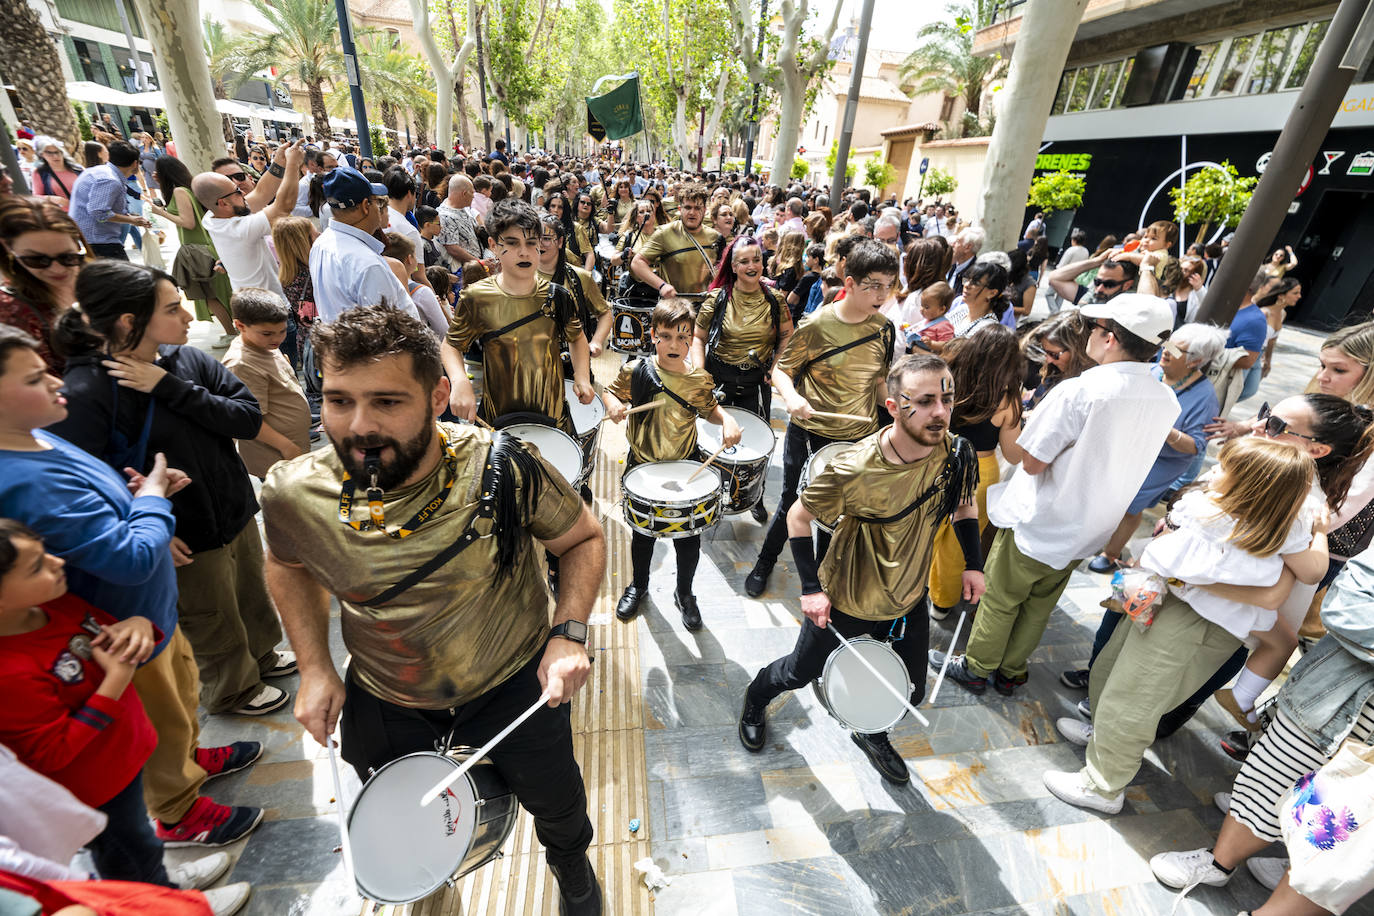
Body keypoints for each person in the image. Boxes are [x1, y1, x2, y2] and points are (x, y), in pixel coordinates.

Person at [260, 304, 606, 915]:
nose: (358, 425)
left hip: (512, 683)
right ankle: (429, 878)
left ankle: (570, 866)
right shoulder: (294, 492)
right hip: (388, 695)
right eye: (339, 401)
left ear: (439, 395)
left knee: (556, 799)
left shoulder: (502, 465)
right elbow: (287, 565)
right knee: (405, 810)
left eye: (387, 402)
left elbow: (582, 538)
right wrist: (315, 666)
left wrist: (569, 632)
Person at [0, 326, 265, 852]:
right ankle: (178, 810)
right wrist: (154, 503)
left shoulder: (40, 436)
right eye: (35, 378)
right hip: (122, 624)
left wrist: (133, 494)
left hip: (150, 612)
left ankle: (188, 760)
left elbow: (96, 513)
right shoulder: (23, 477)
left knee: (180, 699)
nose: (57, 381)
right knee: (155, 720)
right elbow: (127, 557)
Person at [49, 261, 294, 718]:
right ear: (129, 322)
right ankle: (233, 689)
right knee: (210, 613)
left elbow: (246, 417)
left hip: (232, 507)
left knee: (248, 593)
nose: (187, 316)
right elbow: (86, 480)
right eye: (172, 307)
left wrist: (170, 388)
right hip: (181, 529)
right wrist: (151, 526)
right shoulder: (86, 391)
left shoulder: (184, 360)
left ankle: (262, 656)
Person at [1045, 436, 1328, 815]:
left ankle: (1103, 784)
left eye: (1226, 468)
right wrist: (1319, 531)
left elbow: (1170, 561)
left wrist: (1185, 576)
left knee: (1134, 698)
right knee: (1118, 676)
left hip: (1189, 620)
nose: (1216, 470)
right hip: (1188, 614)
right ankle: (1105, 739)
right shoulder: (1269, 521)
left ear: (1251, 485)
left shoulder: (1224, 519)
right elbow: (1311, 569)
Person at [739, 353, 983, 784]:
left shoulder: (954, 452)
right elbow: (798, 517)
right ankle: (756, 696)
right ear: (893, 407)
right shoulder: (853, 467)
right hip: (847, 596)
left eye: (946, 398)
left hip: (908, 597)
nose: (940, 412)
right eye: (924, 401)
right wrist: (811, 589)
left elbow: (964, 505)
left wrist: (973, 565)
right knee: (800, 672)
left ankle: (873, 731)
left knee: (910, 688)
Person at [934, 294, 1181, 696]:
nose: (1091, 335)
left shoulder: (1081, 391)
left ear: (1111, 338)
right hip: (1092, 523)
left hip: (1044, 515)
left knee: (1000, 597)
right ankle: (1012, 670)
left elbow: (1031, 462)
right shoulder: (1164, 397)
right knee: (1040, 602)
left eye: (1096, 328)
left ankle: (978, 667)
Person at [1149, 552, 1374, 915]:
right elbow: (1346, 604)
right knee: (1271, 776)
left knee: (1350, 829)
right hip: (1333, 695)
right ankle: (1219, 862)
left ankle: (1295, 865)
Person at [744, 240, 899, 597]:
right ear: (850, 280)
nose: (882, 294)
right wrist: (794, 398)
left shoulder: (885, 329)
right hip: (810, 432)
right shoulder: (818, 324)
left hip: (857, 439)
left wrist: (890, 409)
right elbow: (781, 372)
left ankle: (818, 582)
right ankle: (765, 561)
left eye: (888, 285)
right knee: (791, 503)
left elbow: (878, 381)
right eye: (873, 284)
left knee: (837, 512)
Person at [603, 299, 742, 628]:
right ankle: (638, 586)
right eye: (666, 336)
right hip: (642, 462)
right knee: (642, 534)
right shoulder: (635, 370)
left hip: (685, 463)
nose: (675, 345)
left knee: (688, 537)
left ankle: (684, 593)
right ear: (653, 335)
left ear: (691, 336)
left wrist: (727, 421)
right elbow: (610, 392)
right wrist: (613, 405)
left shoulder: (698, 379)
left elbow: (710, 409)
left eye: (683, 337)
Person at [1080, 323, 1227, 577]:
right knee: (1108, 490)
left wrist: (1166, 430)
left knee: (1130, 503)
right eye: (1167, 344)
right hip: (1130, 445)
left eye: (1176, 350)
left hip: (1163, 460)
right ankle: (1093, 534)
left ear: (1196, 361)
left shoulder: (1204, 398)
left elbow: (1195, 446)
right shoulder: (1151, 371)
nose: (1165, 351)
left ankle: (1111, 553)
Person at [692, 236, 793, 523]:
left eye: (757, 259)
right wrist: (699, 374)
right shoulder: (718, 298)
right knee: (711, 438)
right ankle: (706, 493)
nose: (752, 266)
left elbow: (787, 335)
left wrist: (776, 366)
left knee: (757, 443)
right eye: (745, 261)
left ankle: (754, 495)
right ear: (734, 266)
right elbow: (698, 338)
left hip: (755, 382)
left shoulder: (776, 298)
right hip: (719, 379)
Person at [927, 326, 1024, 618]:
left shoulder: (948, 378)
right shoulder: (1007, 399)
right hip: (979, 472)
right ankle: (942, 602)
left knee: (923, 529)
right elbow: (1013, 454)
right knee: (958, 544)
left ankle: (909, 584)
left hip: (935, 460)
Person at [193, 140, 305, 298]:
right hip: (270, 312)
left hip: (253, 307)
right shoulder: (240, 229)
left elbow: (261, 193)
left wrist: (280, 161)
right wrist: (293, 164)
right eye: (236, 191)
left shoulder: (212, 216)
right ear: (223, 202)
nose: (242, 193)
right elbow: (284, 206)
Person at [220, 289, 311, 479]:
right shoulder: (242, 364)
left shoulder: (265, 345)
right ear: (240, 325)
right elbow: (247, 420)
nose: (277, 339)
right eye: (268, 333)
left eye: (283, 331)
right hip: (275, 455)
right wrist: (286, 446)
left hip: (292, 447)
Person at [307, 167, 417, 322]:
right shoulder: (366, 264)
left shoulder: (321, 244)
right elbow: (387, 329)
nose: (379, 209)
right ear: (366, 206)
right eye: (377, 202)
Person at [149, 156, 235, 337]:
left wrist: (161, 213)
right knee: (217, 294)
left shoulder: (180, 191)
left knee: (210, 296)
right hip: (205, 247)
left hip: (197, 250)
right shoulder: (188, 188)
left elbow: (188, 222)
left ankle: (230, 333)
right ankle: (231, 332)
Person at [0, 197, 87, 375]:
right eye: (38, 260)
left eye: (67, 257)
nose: (57, 269)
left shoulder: (98, 278)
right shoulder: (12, 310)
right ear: (9, 249)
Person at [629, 185, 720, 301]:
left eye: (697, 208)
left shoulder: (715, 237)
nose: (692, 212)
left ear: (705, 211)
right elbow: (637, 263)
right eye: (687, 207)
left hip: (707, 307)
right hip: (675, 307)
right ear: (679, 209)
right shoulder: (665, 233)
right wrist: (662, 286)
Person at [67, 140, 149, 261]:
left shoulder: (101, 172)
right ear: (135, 163)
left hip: (94, 239)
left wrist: (129, 217)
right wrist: (131, 220)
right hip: (99, 241)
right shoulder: (110, 180)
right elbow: (98, 212)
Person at [270, 216, 318, 374]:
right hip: (320, 340)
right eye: (315, 234)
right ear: (303, 242)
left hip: (305, 338)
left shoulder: (288, 274)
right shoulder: (311, 274)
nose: (320, 236)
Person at [1047, 249, 1142, 307]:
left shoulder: (1130, 310)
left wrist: (1146, 267)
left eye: (1109, 284)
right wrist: (1097, 260)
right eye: (1097, 282)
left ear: (1127, 285)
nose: (1100, 288)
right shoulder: (1091, 298)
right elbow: (1055, 277)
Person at [945, 260, 1008, 338]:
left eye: (975, 283)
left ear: (992, 293)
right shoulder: (961, 309)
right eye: (966, 280)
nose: (967, 285)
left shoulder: (987, 328)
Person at [437, 175, 484, 273]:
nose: (473, 196)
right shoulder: (445, 216)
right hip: (465, 271)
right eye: (472, 192)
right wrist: (479, 263)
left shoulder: (465, 208)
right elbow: (453, 249)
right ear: (464, 193)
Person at [31, 138, 83, 212]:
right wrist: (57, 199)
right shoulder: (40, 173)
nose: (55, 156)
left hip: (85, 213)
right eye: (49, 153)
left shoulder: (77, 169)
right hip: (62, 216)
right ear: (41, 154)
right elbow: (36, 197)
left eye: (58, 152)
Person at [382, 168, 422, 252]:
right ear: (409, 194)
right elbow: (418, 265)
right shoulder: (410, 232)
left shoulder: (376, 217)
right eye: (416, 194)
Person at [907, 282, 956, 351]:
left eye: (926, 307)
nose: (921, 309)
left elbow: (946, 345)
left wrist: (931, 344)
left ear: (941, 309)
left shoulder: (944, 325)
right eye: (921, 305)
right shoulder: (927, 320)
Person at [945, 227, 985, 296]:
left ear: (968, 247)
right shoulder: (952, 263)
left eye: (957, 241)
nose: (952, 245)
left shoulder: (976, 274)